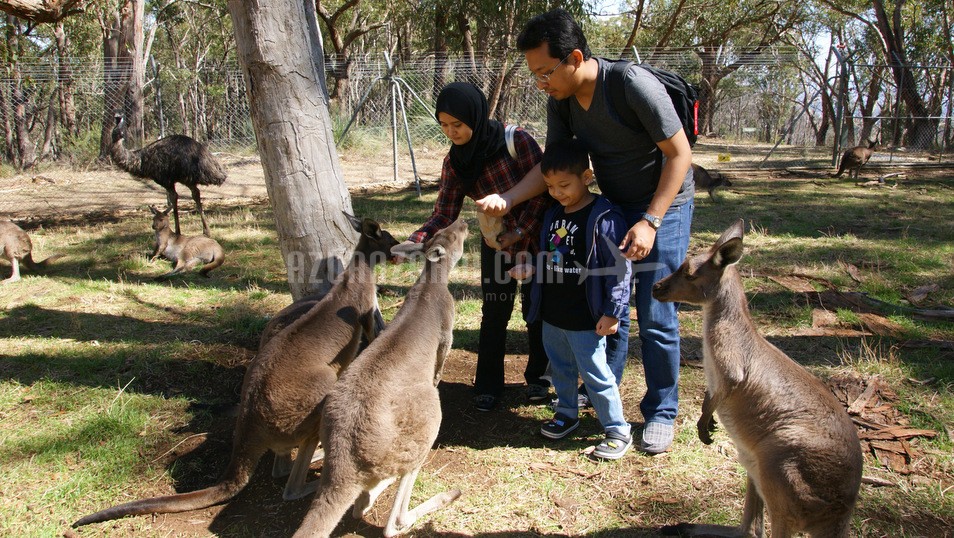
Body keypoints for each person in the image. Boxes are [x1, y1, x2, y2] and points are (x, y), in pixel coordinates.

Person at [477, 8, 694, 453]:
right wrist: (510, 199)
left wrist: (650, 221)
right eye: (535, 75)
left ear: (575, 57)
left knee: (654, 311)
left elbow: (680, 156)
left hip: (663, 205)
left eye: (545, 72)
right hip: (611, 206)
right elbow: (553, 165)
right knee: (603, 299)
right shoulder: (562, 101)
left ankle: (661, 412)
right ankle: (604, 390)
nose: (542, 83)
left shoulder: (632, 86)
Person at [395, 82, 551, 412]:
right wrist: (416, 240)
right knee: (494, 312)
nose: (452, 132)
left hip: (537, 239)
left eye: (458, 125)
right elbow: (444, 213)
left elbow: (546, 191)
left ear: (476, 118)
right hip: (496, 243)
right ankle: (488, 384)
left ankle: (540, 378)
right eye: (444, 126)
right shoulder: (455, 163)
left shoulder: (516, 141)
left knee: (537, 311)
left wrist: (520, 230)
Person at [510, 138, 633, 460]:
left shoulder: (604, 217)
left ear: (587, 176)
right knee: (561, 369)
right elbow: (552, 257)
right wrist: (531, 267)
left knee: (595, 373)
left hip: (586, 318)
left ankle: (617, 428)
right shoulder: (553, 215)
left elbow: (619, 270)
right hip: (554, 314)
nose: (557, 192)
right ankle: (567, 412)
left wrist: (613, 311)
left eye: (564, 185)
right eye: (550, 186)